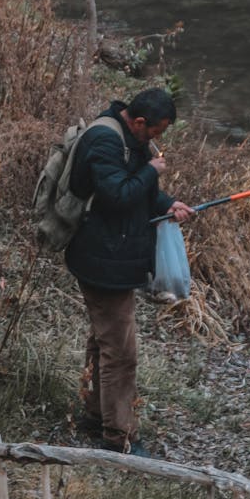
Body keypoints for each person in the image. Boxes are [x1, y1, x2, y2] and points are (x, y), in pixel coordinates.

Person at [65, 88, 194, 456]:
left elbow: (141, 192)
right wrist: (151, 171)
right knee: (121, 353)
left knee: (104, 340)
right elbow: (118, 196)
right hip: (102, 261)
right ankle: (118, 436)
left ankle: (95, 413)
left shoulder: (130, 140)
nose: (158, 141)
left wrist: (169, 204)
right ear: (139, 122)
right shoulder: (105, 142)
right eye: (156, 132)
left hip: (112, 256)